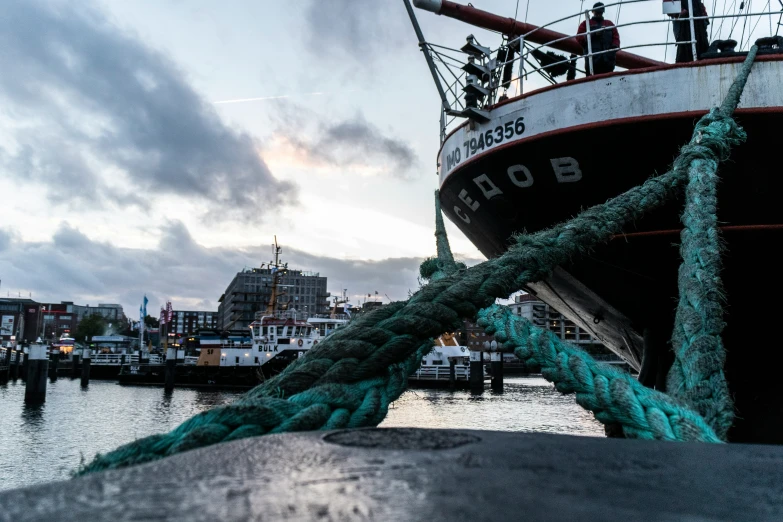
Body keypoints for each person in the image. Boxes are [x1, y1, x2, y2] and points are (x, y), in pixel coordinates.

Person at [576, 2, 620, 76]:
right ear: (593, 12)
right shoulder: (586, 24)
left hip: (608, 62)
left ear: (603, 12)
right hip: (592, 62)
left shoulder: (609, 24)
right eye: (597, 12)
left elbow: (616, 39)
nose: (599, 14)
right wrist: (594, 34)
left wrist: (612, 50)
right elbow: (579, 38)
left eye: (600, 12)